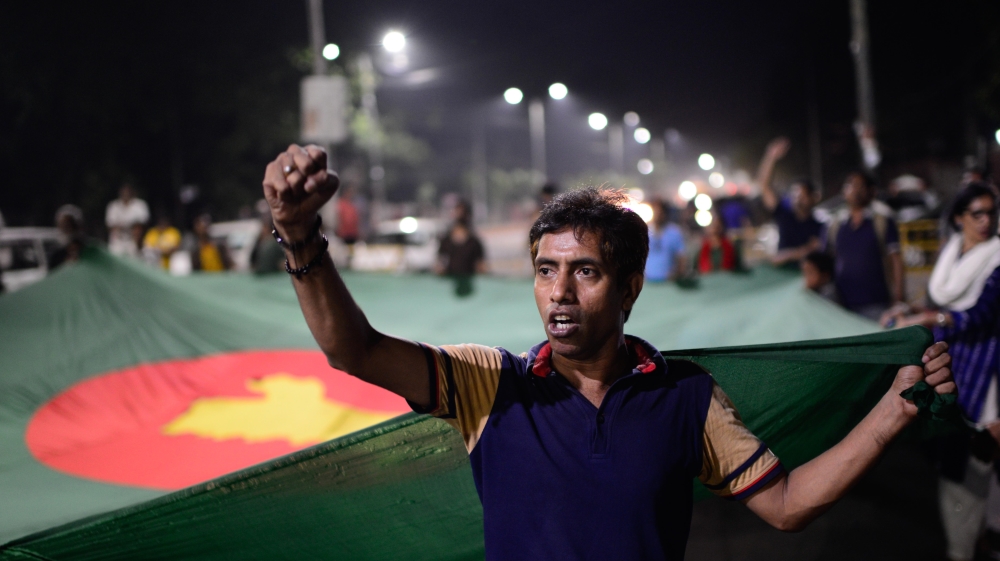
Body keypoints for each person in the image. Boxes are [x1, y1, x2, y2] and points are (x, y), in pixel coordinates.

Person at [261, 144, 954, 561]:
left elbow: (787, 503)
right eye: (544, 269)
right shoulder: (488, 385)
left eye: (584, 271)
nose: (558, 292)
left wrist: (893, 412)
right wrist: (298, 236)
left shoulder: (687, 396)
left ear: (628, 286)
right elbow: (351, 348)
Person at [885, 183, 1000, 561]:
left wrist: (926, 317)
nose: (986, 221)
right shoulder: (952, 251)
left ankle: (967, 545)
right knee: (954, 447)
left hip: (984, 368)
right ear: (959, 218)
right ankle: (976, 536)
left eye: (991, 212)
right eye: (977, 214)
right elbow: (938, 300)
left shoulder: (996, 256)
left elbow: (979, 315)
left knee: (973, 455)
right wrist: (908, 310)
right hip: (952, 358)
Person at [824, 171, 904, 321]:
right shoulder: (835, 225)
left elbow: (896, 260)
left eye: (860, 186)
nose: (854, 190)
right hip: (842, 304)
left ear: (871, 191)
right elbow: (827, 259)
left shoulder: (882, 221)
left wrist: (899, 296)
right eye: (850, 185)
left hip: (876, 303)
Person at [756, 137, 823, 267]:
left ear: (813, 197)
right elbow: (764, 186)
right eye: (794, 195)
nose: (797, 199)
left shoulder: (818, 226)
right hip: (783, 276)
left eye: (802, 196)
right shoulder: (784, 215)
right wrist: (771, 157)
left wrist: (790, 255)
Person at [436, 199, 485, 297]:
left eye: (463, 212)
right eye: (457, 211)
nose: (460, 215)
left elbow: (481, 265)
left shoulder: (474, 241)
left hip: (469, 281)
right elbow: (440, 262)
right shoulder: (447, 239)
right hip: (449, 285)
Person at [644, 199, 686, 282]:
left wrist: (678, 274)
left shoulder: (674, 232)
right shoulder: (645, 231)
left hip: (668, 282)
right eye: (656, 211)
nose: (658, 215)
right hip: (648, 283)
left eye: (660, 212)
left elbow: (681, 257)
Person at [105, 183, 149, 258]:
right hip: (118, 240)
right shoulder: (113, 206)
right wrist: (127, 226)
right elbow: (110, 225)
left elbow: (142, 224)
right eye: (124, 192)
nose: (126, 194)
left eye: (128, 191)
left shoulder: (140, 205)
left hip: (134, 240)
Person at [48, 204, 88, 269]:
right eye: (62, 226)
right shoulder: (57, 256)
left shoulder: (89, 253)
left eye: (68, 225)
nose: (65, 230)